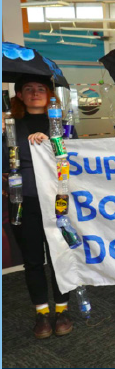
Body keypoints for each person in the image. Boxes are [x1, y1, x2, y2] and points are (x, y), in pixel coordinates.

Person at [2, 76, 78, 339]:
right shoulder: (10, 125)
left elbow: (77, 158)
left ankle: (62, 310)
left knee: (59, 256)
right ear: (19, 95)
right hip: (23, 202)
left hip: (59, 201)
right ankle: (42, 314)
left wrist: (51, 142)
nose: (35, 93)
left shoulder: (61, 124)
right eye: (28, 89)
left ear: (49, 94)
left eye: (41, 89)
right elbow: (4, 166)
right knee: (33, 260)